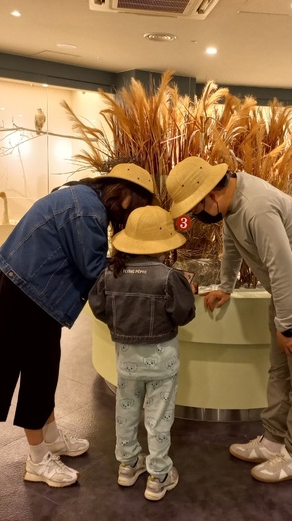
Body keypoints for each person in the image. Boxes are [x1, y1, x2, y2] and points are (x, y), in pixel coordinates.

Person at [166, 156, 292, 484]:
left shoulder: (256, 207)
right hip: (289, 298)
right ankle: (273, 440)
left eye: (194, 209)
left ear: (211, 195)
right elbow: (232, 245)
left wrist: (288, 327)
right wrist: (226, 286)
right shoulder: (233, 204)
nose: (195, 216)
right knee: (279, 371)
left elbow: (284, 269)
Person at [0, 163, 156, 488]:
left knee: (46, 370)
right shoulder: (88, 212)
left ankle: (50, 438)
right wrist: (142, 272)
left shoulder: (82, 197)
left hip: (31, 289)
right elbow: (95, 270)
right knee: (37, 375)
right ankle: (37, 461)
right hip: (29, 293)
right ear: (127, 198)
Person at [89, 205, 196, 501]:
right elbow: (184, 314)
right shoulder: (169, 277)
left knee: (125, 412)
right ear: (164, 244)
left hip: (126, 361)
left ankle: (127, 465)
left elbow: (99, 308)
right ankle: (158, 476)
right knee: (159, 419)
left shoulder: (110, 274)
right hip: (163, 362)